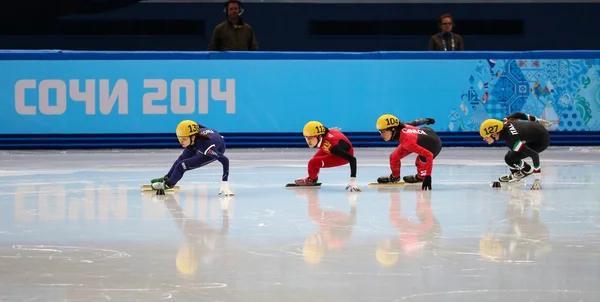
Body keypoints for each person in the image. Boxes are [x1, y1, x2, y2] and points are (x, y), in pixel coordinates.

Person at [150, 120, 233, 196]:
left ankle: (169, 184)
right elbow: (194, 125)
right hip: (199, 141)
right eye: (179, 138)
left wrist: (224, 181)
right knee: (180, 159)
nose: (181, 141)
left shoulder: (206, 148)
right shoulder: (193, 132)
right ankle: (167, 177)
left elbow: (225, 160)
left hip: (217, 148)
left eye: (184, 139)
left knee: (181, 166)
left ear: (192, 137)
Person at [479, 112, 550, 190]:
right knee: (509, 157)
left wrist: (537, 179)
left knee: (509, 158)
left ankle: (526, 171)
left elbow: (534, 155)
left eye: (486, 136)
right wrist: (536, 120)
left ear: (494, 133)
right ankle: (525, 171)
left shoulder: (512, 141)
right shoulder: (502, 123)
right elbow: (517, 114)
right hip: (536, 127)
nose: (484, 139)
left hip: (541, 141)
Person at [375, 114, 439, 190]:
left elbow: (429, 155)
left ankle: (420, 177)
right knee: (394, 157)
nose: (381, 135)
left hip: (433, 145)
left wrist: (428, 176)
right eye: (380, 131)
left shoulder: (408, 142)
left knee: (419, 162)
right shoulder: (402, 126)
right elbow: (415, 122)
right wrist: (427, 120)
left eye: (383, 131)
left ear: (392, 129)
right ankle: (395, 177)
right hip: (418, 137)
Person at [294, 121, 361, 192]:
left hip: (343, 155)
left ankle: (311, 180)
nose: (308, 142)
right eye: (306, 138)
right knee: (314, 162)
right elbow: (326, 129)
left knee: (313, 163)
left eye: (311, 138)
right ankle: (314, 177)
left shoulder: (332, 147)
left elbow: (352, 159)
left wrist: (352, 180)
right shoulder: (322, 132)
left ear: (319, 136)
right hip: (333, 145)